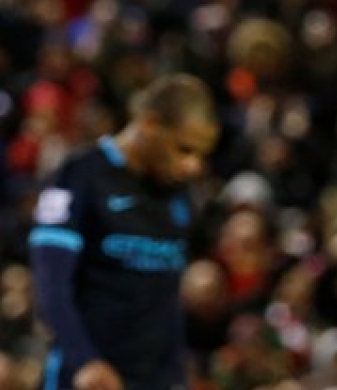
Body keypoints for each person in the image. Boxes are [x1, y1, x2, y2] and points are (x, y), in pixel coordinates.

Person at [29, 74, 220, 390]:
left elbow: (167, 295)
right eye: (184, 149)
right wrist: (85, 361)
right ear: (150, 125)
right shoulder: (81, 176)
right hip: (89, 379)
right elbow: (51, 285)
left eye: (200, 154)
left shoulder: (178, 195)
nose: (193, 166)